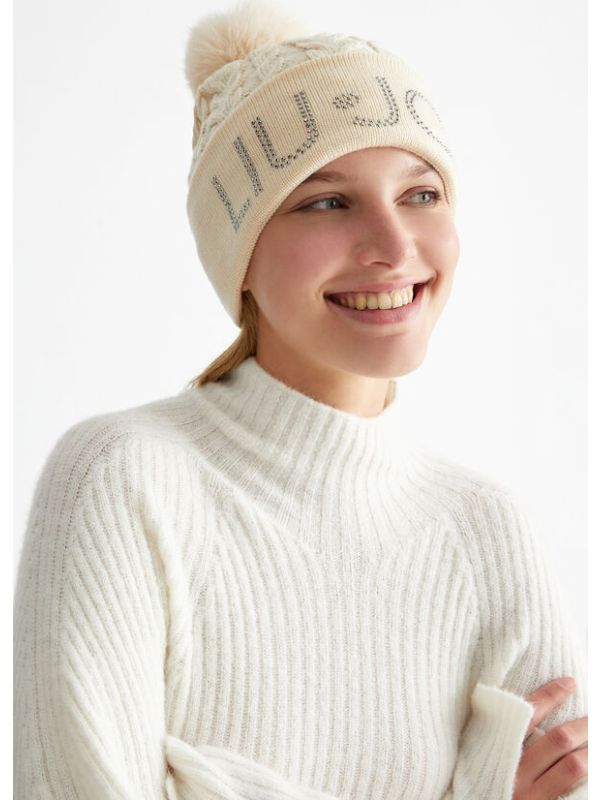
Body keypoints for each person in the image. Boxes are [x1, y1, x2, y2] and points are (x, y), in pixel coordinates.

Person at [13, 1, 588, 798]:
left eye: (422, 194)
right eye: (327, 201)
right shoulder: (122, 480)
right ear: (239, 256)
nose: (394, 247)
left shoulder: (489, 533)